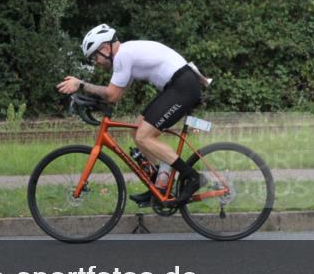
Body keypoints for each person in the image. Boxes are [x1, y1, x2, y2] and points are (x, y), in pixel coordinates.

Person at [56, 24, 209, 207]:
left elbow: (111, 94)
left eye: (95, 57)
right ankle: (159, 186)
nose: (95, 62)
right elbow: (115, 96)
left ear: (105, 49)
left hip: (182, 86)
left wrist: (81, 85)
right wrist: (90, 100)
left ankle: (193, 177)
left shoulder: (123, 56)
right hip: (177, 86)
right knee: (137, 131)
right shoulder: (125, 55)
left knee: (144, 136)